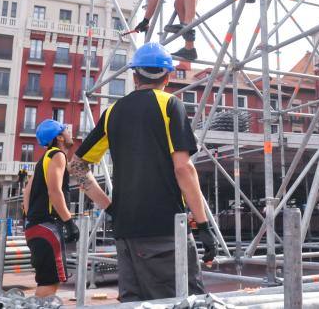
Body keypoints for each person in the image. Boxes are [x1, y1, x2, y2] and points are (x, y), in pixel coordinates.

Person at [68, 42, 217, 303]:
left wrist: (110, 207)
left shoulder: (112, 112)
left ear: (134, 76)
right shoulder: (170, 104)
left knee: (135, 304)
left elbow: (76, 166)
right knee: (182, 303)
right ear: (168, 77)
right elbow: (183, 168)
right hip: (165, 233)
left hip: (126, 234)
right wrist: (203, 225)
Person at [22, 119, 80, 298]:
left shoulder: (44, 160)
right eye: (65, 130)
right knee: (49, 283)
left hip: (34, 228)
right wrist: (69, 221)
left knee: (45, 280)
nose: (69, 133)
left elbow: (26, 193)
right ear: (60, 138)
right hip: (47, 228)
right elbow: (54, 191)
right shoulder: (57, 155)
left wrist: (31, 218)